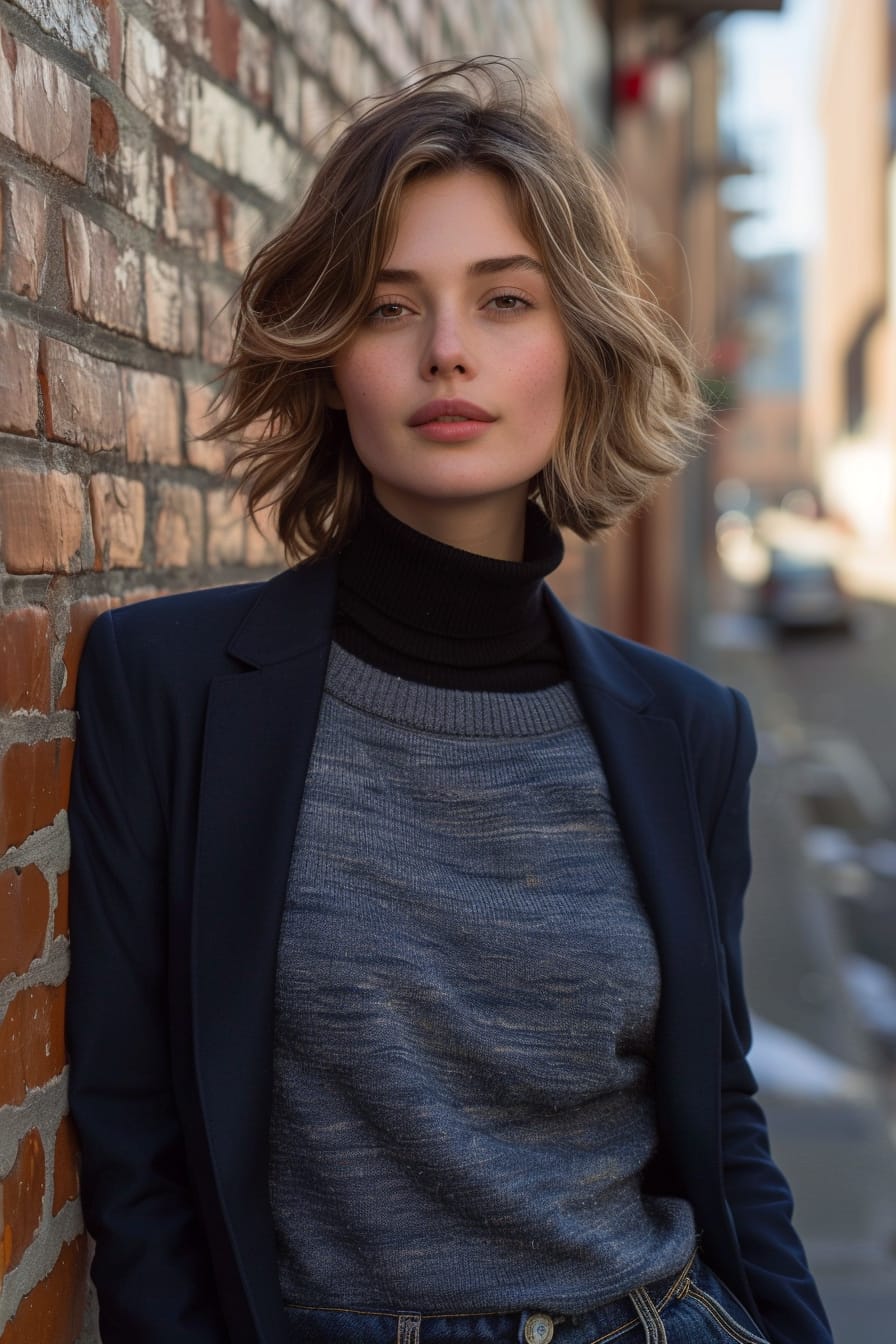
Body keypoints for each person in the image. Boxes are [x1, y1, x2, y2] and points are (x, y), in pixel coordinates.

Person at [66, 59, 833, 1344]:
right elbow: (133, 1130)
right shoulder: (172, 687)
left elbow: (717, 1106)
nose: (447, 352)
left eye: (505, 299)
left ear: (576, 353)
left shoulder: (689, 730)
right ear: (328, 360)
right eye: (387, 306)